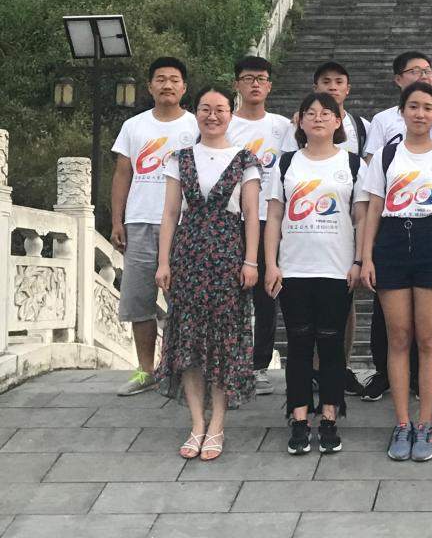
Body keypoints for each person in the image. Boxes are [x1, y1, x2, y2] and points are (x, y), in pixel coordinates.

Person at [359, 82, 432, 462]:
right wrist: (366, 258)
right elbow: (373, 208)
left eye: (427, 108)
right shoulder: (386, 155)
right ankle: (402, 422)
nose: (420, 114)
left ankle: (425, 423)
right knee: (399, 337)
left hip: (431, 245)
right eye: (413, 106)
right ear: (402, 111)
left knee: (428, 339)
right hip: (391, 244)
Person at [154, 86, 262, 460]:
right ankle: (197, 423)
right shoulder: (180, 158)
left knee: (223, 342)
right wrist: (164, 261)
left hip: (228, 257)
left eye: (220, 109)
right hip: (187, 256)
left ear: (231, 113)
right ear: (196, 112)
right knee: (188, 339)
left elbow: (252, 215)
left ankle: (217, 424)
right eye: (205, 108)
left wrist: (251, 261)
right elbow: (170, 213)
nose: (212, 116)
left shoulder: (245, 160)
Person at [264, 93, 364, 455]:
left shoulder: (352, 164)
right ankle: (299, 417)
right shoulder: (286, 163)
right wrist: (271, 263)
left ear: (338, 122)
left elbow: (361, 217)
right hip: (294, 268)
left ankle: (330, 416)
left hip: (336, 269)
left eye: (326, 113)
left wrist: (359, 261)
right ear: (300, 121)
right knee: (299, 345)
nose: (318, 118)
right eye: (310, 113)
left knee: (332, 345)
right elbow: (274, 215)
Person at [110, 57, 199, 397]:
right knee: (139, 300)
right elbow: (123, 173)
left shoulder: (196, 125)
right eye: (160, 79)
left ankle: (182, 370)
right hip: (140, 222)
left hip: (184, 225)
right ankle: (146, 370)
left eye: (174, 79)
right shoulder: (134, 126)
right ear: (150, 86)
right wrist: (117, 220)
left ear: (184, 87)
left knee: (185, 302)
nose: (167, 85)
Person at [283, 60, 371, 397]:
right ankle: (307, 385)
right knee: (301, 332)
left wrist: (361, 257)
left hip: (339, 248)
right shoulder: (291, 151)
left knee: (340, 321)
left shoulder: (360, 133)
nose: (332, 87)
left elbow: (362, 212)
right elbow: (278, 205)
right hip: (299, 251)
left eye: (338, 81)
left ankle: (337, 372)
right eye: (325, 81)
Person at [226, 56, 294, 397]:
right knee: (228, 293)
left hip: (269, 218)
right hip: (229, 218)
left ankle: (259, 365)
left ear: (269, 85)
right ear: (237, 84)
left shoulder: (283, 127)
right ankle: (228, 361)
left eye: (261, 78)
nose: (255, 84)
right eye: (248, 78)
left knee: (267, 295)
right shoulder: (225, 124)